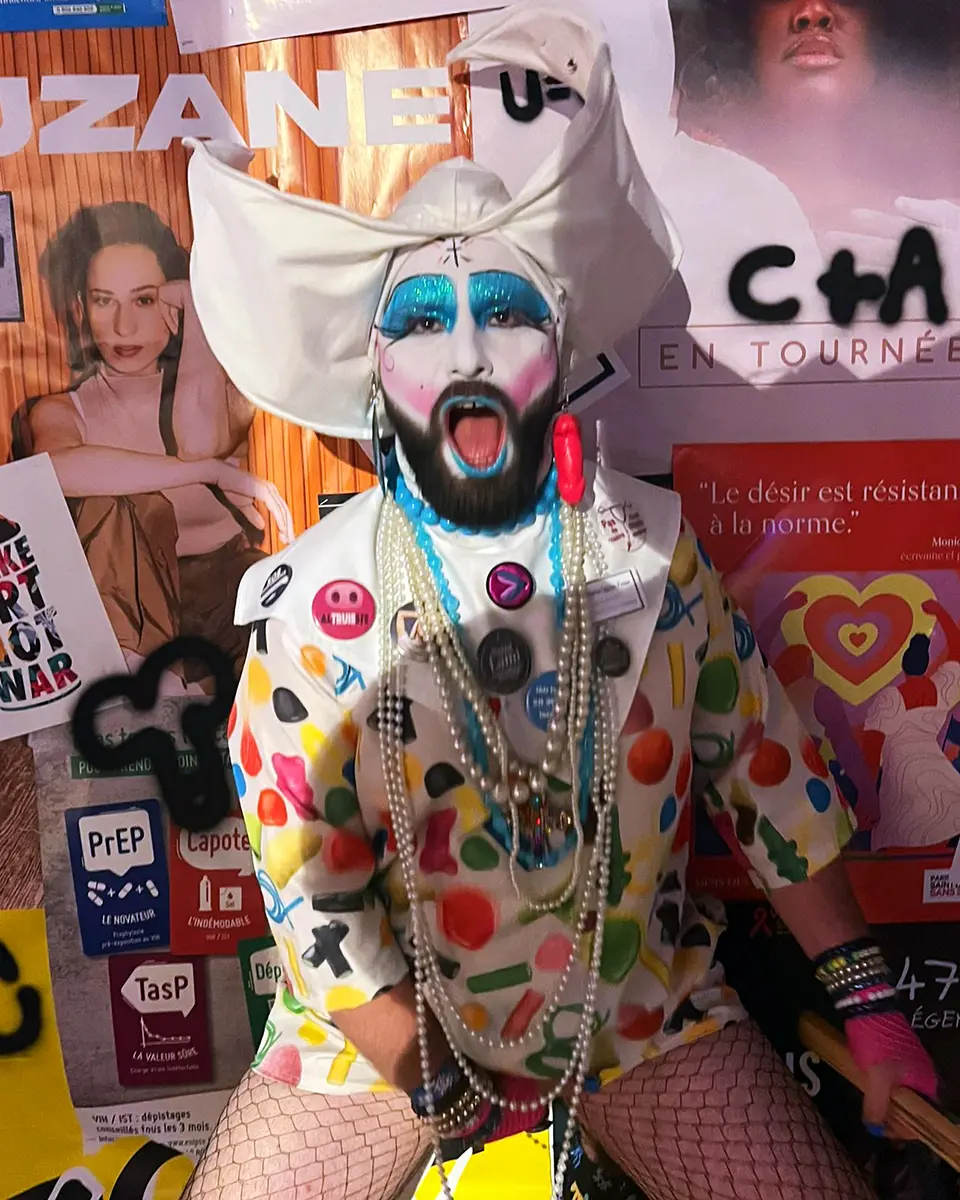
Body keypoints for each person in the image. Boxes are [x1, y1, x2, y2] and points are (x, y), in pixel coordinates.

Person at [183, 5, 939, 1199]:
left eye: (509, 314)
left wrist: (872, 1006)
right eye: (425, 326)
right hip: (386, 1042)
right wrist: (425, 1067)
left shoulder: (656, 553)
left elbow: (765, 779)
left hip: (639, 1012)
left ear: (560, 350)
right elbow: (306, 883)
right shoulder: (313, 601)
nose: (470, 350)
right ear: (378, 378)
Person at [26, 201, 293, 685]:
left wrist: (199, 316)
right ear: (82, 310)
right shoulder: (61, 412)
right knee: (124, 507)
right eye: (105, 300)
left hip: (223, 590)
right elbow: (57, 471)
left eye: (145, 300)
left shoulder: (219, 389)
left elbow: (199, 442)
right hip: (122, 612)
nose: (124, 327)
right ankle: (140, 686)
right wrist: (207, 474)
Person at [673, 0, 959, 239]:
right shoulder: (673, 184)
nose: (813, 13)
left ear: (886, 25)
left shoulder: (947, 208)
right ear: (744, 26)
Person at [862, 601, 960, 853]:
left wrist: (867, 800)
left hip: (901, 786)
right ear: (926, 664)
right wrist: (941, 612)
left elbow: (871, 754)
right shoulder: (941, 690)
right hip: (943, 785)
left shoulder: (888, 699)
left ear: (903, 667)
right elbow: (957, 651)